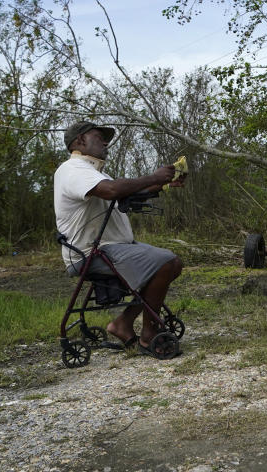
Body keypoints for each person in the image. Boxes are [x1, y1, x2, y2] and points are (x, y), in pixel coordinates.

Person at [54, 121, 185, 357]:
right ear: (80, 141)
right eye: (99, 137)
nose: (105, 142)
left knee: (172, 264)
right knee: (164, 261)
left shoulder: (95, 173)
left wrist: (163, 183)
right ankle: (148, 336)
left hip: (111, 248)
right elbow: (111, 190)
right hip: (89, 253)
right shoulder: (72, 169)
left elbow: (126, 192)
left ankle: (122, 325)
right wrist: (152, 176)